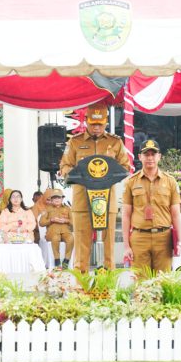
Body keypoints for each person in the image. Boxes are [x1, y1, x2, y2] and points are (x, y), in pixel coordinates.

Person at [59, 102, 130, 272]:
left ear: (106, 122)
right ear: (86, 121)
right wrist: (79, 174)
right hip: (82, 202)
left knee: (108, 248)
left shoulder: (115, 142)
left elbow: (125, 167)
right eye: (93, 124)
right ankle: (81, 284)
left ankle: (107, 284)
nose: (96, 128)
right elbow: (64, 167)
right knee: (82, 247)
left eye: (100, 124)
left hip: (107, 201)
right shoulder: (75, 142)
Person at [122, 139, 181, 275]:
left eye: (153, 154)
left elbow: (176, 215)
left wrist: (179, 241)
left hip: (164, 238)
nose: (150, 158)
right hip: (139, 238)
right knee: (141, 281)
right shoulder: (131, 182)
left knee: (163, 280)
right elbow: (126, 215)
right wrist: (126, 246)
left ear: (159, 156)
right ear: (140, 157)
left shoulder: (170, 181)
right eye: (146, 154)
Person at [39, 189, 73, 268]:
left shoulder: (67, 209)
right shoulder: (46, 209)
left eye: (59, 198)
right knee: (55, 238)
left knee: (71, 238)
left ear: (62, 199)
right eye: (54, 198)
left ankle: (66, 260)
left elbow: (74, 222)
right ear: (51, 200)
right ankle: (57, 260)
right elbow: (41, 223)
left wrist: (66, 220)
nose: (57, 200)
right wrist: (51, 220)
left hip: (65, 231)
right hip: (52, 232)